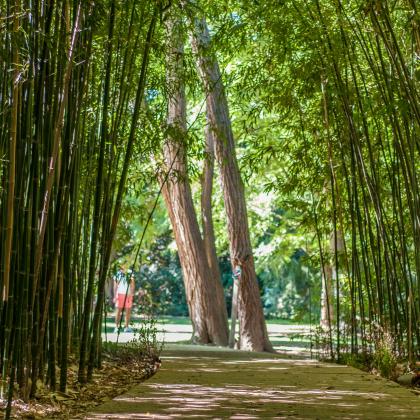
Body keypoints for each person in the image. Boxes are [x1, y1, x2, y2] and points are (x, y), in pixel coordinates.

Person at [113, 263, 135, 333]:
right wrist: (114, 296)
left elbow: (132, 285)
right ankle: (116, 327)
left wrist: (131, 294)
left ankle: (126, 327)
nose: (124, 265)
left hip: (128, 295)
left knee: (128, 311)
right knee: (118, 311)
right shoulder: (117, 274)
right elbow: (115, 286)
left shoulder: (130, 273)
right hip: (119, 294)